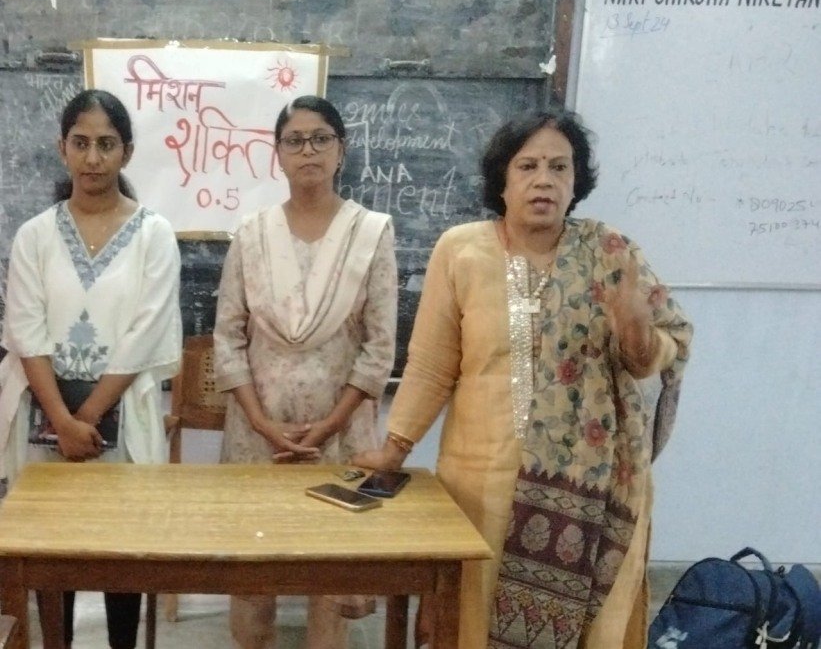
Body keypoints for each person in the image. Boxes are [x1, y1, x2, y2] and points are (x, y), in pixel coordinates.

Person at [354, 107, 693, 649]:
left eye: (560, 167)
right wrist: (394, 449)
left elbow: (661, 352)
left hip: (592, 495)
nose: (544, 180)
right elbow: (432, 363)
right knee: (473, 624)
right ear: (503, 180)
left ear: (576, 181)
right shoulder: (461, 250)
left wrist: (638, 335)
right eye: (528, 166)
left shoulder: (612, 255)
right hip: (481, 486)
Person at [213, 95, 397, 649]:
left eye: (321, 138)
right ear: (278, 154)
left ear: (341, 150)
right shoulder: (251, 234)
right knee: (254, 568)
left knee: (331, 571)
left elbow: (380, 346)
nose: (308, 150)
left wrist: (329, 426)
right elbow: (228, 337)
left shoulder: (371, 233)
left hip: (340, 437)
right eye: (294, 140)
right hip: (257, 436)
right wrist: (263, 425)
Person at [0, 89, 182, 649]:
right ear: (63, 148)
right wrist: (61, 420)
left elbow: (146, 330)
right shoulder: (35, 235)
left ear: (127, 152)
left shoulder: (153, 234)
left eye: (106, 144)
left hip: (120, 418)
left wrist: (88, 418)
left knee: (119, 551)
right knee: (53, 553)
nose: (93, 158)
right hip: (44, 415)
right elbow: (26, 331)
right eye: (81, 143)